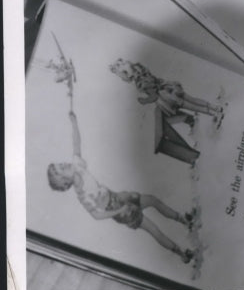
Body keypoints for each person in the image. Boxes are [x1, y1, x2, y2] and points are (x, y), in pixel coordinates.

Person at [47, 108, 196, 263]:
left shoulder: (77, 166)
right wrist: (119, 210)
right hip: (120, 212)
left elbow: (76, 143)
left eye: (61, 164)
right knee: (153, 229)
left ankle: (183, 220)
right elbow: (97, 215)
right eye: (62, 168)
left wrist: (74, 122)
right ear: (66, 182)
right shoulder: (83, 195)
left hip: (119, 197)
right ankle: (182, 254)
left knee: (152, 200)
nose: (64, 164)